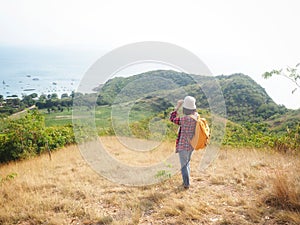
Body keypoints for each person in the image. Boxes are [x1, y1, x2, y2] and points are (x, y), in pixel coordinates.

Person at [170, 96, 198, 189]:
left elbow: (172, 118)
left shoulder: (184, 119)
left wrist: (177, 107)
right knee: (187, 163)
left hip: (183, 145)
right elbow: (194, 111)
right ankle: (187, 181)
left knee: (183, 166)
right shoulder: (196, 117)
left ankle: (186, 184)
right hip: (191, 145)